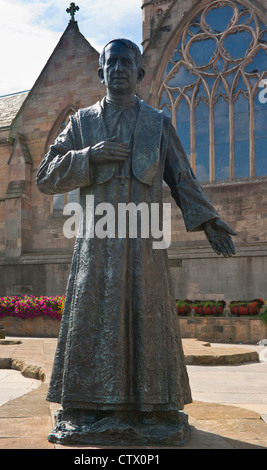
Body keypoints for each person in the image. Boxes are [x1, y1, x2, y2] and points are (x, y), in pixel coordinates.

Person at [36, 38, 236, 446]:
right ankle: (85, 406)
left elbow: (182, 178)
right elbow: (44, 176)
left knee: (148, 318)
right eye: (112, 63)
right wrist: (89, 156)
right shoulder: (81, 123)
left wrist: (210, 221)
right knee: (94, 318)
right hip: (95, 243)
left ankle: (154, 407)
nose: (119, 69)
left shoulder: (157, 123)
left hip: (145, 244)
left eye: (128, 63)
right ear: (102, 72)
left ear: (140, 73)